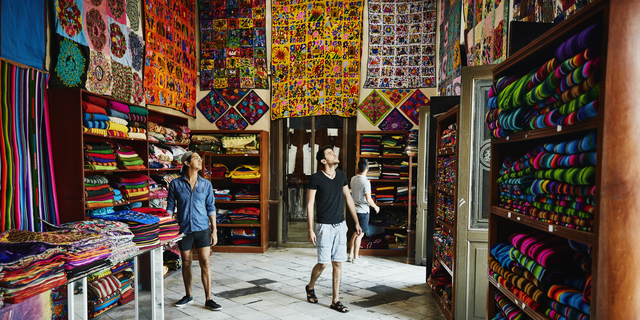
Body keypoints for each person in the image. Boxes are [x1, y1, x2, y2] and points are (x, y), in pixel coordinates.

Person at [306, 145, 362, 313]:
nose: (334, 154)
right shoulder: (315, 178)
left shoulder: (342, 176)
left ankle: (335, 300)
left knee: (337, 263)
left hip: (340, 225)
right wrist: (310, 229)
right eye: (330, 153)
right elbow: (309, 204)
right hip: (323, 225)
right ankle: (310, 286)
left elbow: (349, 199)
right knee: (323, 264)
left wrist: (356, 222)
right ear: (323, 160)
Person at [166, 151, 222, 311]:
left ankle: (209, 298)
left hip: (202, 228)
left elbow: (211, 207)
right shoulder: (175, 184)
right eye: (197, 158)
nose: (200, 161)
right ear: (187, 163)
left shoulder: (206, 184)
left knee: (205, 262)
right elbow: (170, 207)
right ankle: (188, 295)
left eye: (200, 158)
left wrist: (214, 231)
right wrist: (168, 230)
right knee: (186, 262)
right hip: (184, 229)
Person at [348, 158, 380, 264]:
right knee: (360, 234)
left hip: (354, 210)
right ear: (367, 168)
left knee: (354, 233)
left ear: (358, 168)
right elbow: (368, 198)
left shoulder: (353, 179)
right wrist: (375, 206)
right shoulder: (366, 182)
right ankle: (356, 257)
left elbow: (351, 191)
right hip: (363, 211)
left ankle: (350, 255)